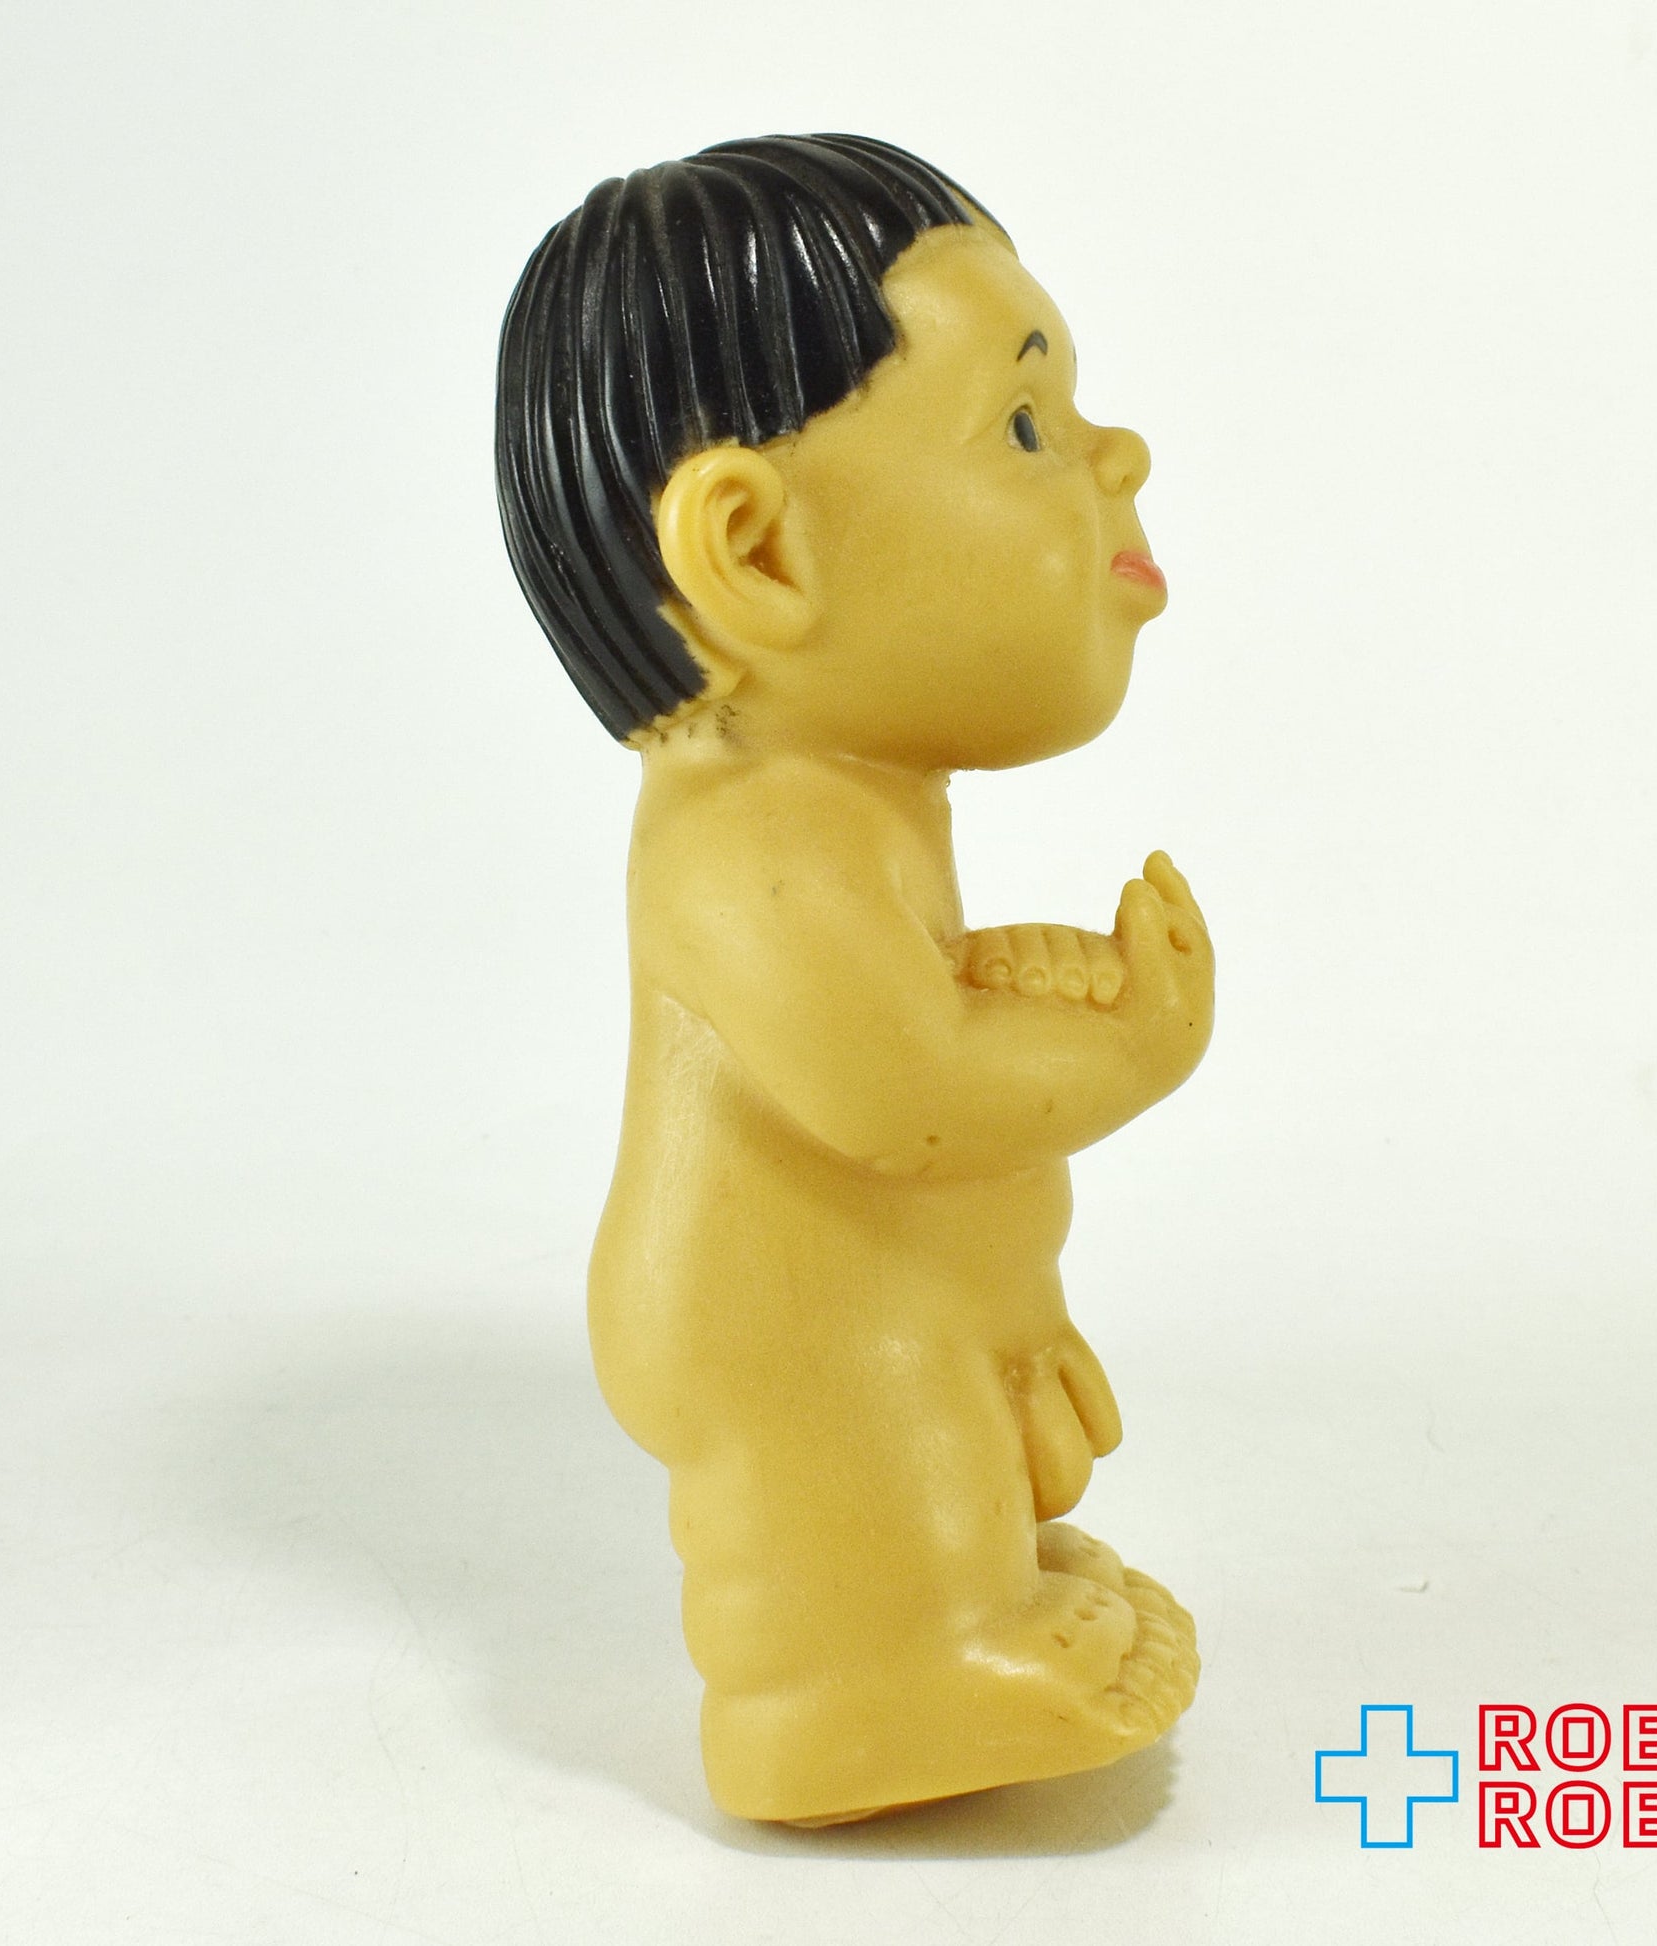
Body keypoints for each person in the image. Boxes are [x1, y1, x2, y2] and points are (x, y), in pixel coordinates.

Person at [496, 135, 1212, 1824]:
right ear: (757, 552)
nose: (1115, 453)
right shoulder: (753, 843)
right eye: (1022, 424)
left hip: (882, 1289)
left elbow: (916, 1019)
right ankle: (842, 1700)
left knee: (929, 1456)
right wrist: (1133, 1047)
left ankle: (956, 1604)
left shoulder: (844, 806)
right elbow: (907, 1092)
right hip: (782, 1327)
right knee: (867, 1446)